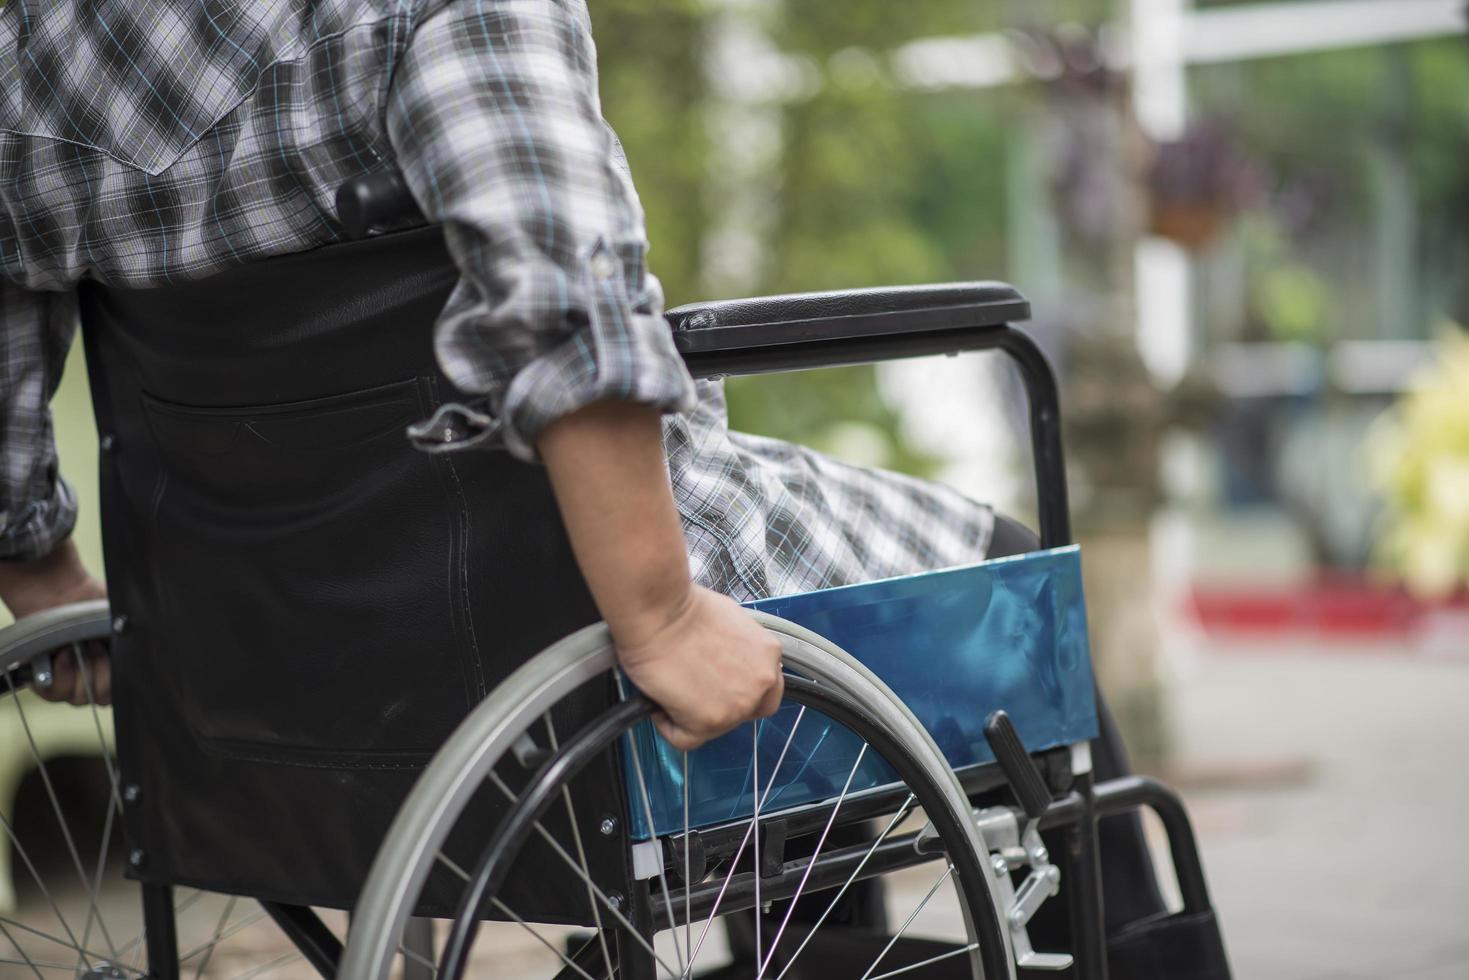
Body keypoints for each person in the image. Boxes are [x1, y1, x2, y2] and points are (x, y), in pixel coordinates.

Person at [0, 2, 1178, 963]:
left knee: (811, 729)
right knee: (1009, 582)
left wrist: (42, 570)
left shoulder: (38, 39)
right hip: (557, 613)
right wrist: (659, 616)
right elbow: (563, 308)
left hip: (264, 680)